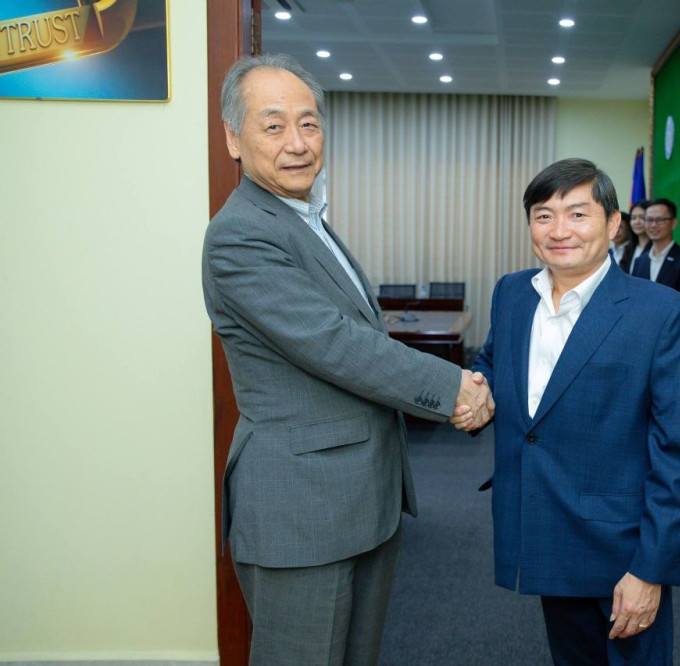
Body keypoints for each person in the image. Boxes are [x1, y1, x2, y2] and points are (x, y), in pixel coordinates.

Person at [202, 54, 492, 666]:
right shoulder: (240, 234)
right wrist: (454, 389)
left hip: (359, 496)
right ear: (233, 138)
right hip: (302, 509)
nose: (298, 143)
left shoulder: (304, 219)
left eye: (309, 124)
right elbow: (334, 343)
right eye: (274, 125)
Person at [467, 158, 680, 665]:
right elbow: (493, 362)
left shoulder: (665, 315)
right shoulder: (513, 294)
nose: (560, 231)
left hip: (621, 550)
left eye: (578, 214)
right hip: (542, 527)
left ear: (614, 223)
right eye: (544, 216)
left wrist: (651, 570)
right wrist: (475, 393)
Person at [632, 197, 680, 302]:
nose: (653, 225)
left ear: (673, 223)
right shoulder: (640, 262)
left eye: (660, 220)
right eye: (649, 220)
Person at [624, 200, 651, 274]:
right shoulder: (629, 248)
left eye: (642, 217)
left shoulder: (655, 249)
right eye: (633, 218)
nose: (637, 222)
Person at [609, 202, 635, 267]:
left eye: (620, 227)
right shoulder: (607, 253)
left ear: (629, 228)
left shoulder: (635, 251)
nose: (616, 231)